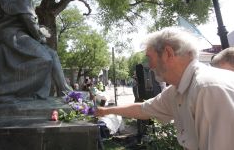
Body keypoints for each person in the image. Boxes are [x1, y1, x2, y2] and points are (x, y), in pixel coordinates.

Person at [95, 27, 234, 150]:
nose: (149, 66)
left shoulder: (207, 89)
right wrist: (106, 111)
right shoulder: (177, 90)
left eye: (149, 58)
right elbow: (143, 109)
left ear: (168, 53)